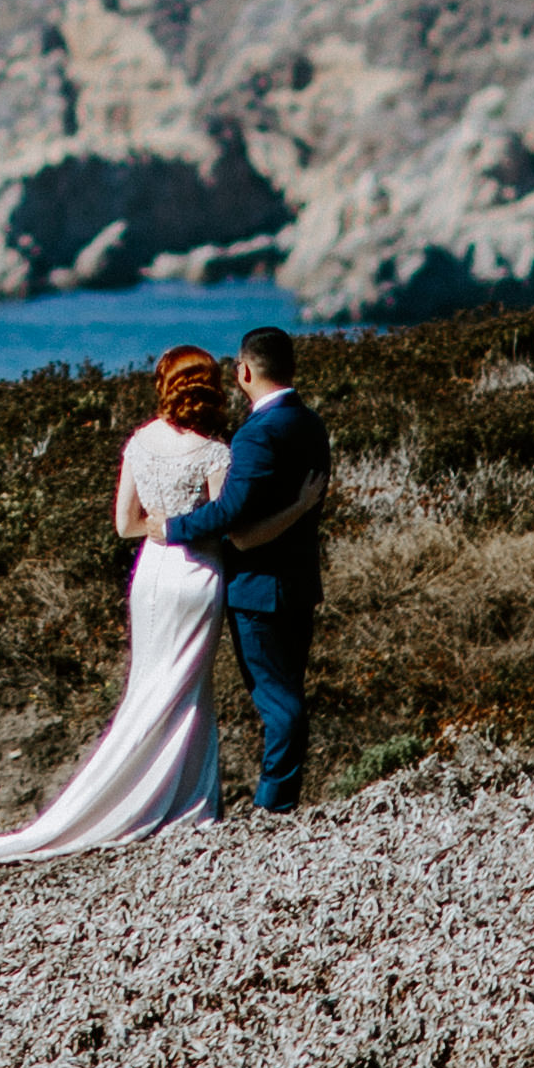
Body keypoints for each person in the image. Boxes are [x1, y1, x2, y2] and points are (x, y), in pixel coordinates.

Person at [0, 345, 238, 883]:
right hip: (196, 573)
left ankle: (141, 790)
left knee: (147, 685)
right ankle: (186, 801)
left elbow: (124, 525)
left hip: (152, 573)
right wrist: (185, 523)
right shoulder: (216, 453)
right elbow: (221, 526)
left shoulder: (140, 442)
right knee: (187, 691)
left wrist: (160, 524)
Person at [163, 323, 329, 810]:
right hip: (298, 578)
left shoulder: (259, 433)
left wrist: (171, 529)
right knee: (287, 691)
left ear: (246, 372)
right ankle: (282, 797)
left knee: (278, 701)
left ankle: (273, 804)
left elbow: (231, 511)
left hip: (261, 586)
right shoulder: (311, 422)